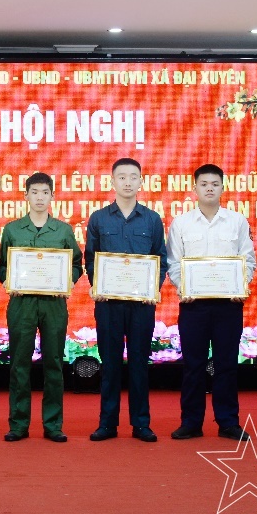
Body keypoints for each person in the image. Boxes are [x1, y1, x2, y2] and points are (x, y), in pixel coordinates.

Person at [167, 164, 255, 442]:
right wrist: (183, 288)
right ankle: (191, 422)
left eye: (214, 184)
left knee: (226, 364)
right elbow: (173, 262)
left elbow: (248, 260)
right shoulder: (181, 223)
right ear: (194, 188)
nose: (209, 188)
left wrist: (241, 285)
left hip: (228, 305)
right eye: (204, 184)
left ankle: (228, 422)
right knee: (193, 365)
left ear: (222, 188)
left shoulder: (237, 221)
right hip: (193, 305)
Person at [84, 157, 168, 443]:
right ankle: (107, 423)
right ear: (113, 182)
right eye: (122, 177)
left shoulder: (152, 219)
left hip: (142, 305)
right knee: (109, 364)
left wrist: (152, 288)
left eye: (133, 177)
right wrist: (97, 285)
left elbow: (160, 259)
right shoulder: (99, 218)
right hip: (108, 304)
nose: (128, 182)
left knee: (139, 364)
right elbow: (91, 259)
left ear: (141, 182)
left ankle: (141, 424)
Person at [0, 172, 82, 443]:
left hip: (54, 303)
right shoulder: (12, 229)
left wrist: (68, 280)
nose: (40, 197)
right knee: (19, 363)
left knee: (53, 362)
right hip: (21, 303)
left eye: (45, 192)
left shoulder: (63, 230)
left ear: (53, 196)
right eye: (34, 192)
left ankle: (53, 424)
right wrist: (8, 279)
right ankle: (18, 424)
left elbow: (76, 264)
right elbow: (2, 266)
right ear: (26, 196)